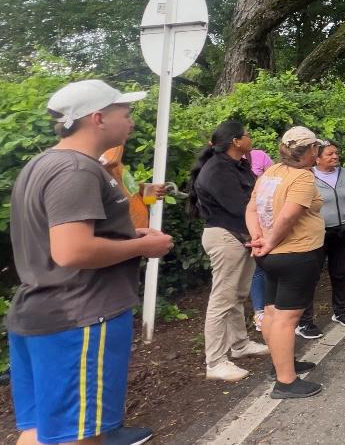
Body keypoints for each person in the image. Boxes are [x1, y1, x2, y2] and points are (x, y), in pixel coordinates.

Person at [7, 80, 174, 445]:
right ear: (98, 118)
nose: (130, 123)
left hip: (42, 314)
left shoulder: (42, 163)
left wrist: (131, 238)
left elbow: (64, 240)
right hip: (79, 319)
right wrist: (141, 248)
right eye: (125, 114)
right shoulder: (77, 170)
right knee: (80, 435)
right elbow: (72, 251)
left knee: (40, 431)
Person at [247, 126, 327, 399]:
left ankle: (280, 365)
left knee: (271, 312)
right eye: (316, 147)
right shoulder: (302, 178)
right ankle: (286, 382)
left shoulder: (271, 173)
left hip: (270, 257)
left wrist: (258, 237)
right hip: (297, 253)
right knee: (287, 317)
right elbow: (288, 217)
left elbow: (252, 208)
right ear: (311, 150)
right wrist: (268, 241)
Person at [190, 121, 270, 381]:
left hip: (240, 236)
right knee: (221, 300)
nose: (251, 137)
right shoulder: (216, 171)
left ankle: (239, 345)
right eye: (248, 134)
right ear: (236, 141)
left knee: (237, 294)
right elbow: (241, 206)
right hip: (224, 237)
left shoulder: (239, 165)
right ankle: (214, 361)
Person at [298, 141, 345, 336]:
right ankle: (305, 322)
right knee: (311, 277)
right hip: (317, 233)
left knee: (340, 273)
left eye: (336, 153)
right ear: (317, 158)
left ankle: (340, 312)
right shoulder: (307, 176)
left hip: (343, 230)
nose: (335, 157)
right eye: (329, 154)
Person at [247, 149, 273, 332]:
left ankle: (272, 308)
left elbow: (274, 179)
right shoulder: (225, 161)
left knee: (266, 263)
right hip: (244, 217)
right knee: (255, 267)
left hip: (264, 215)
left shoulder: (259, 156)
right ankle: (259, 311)